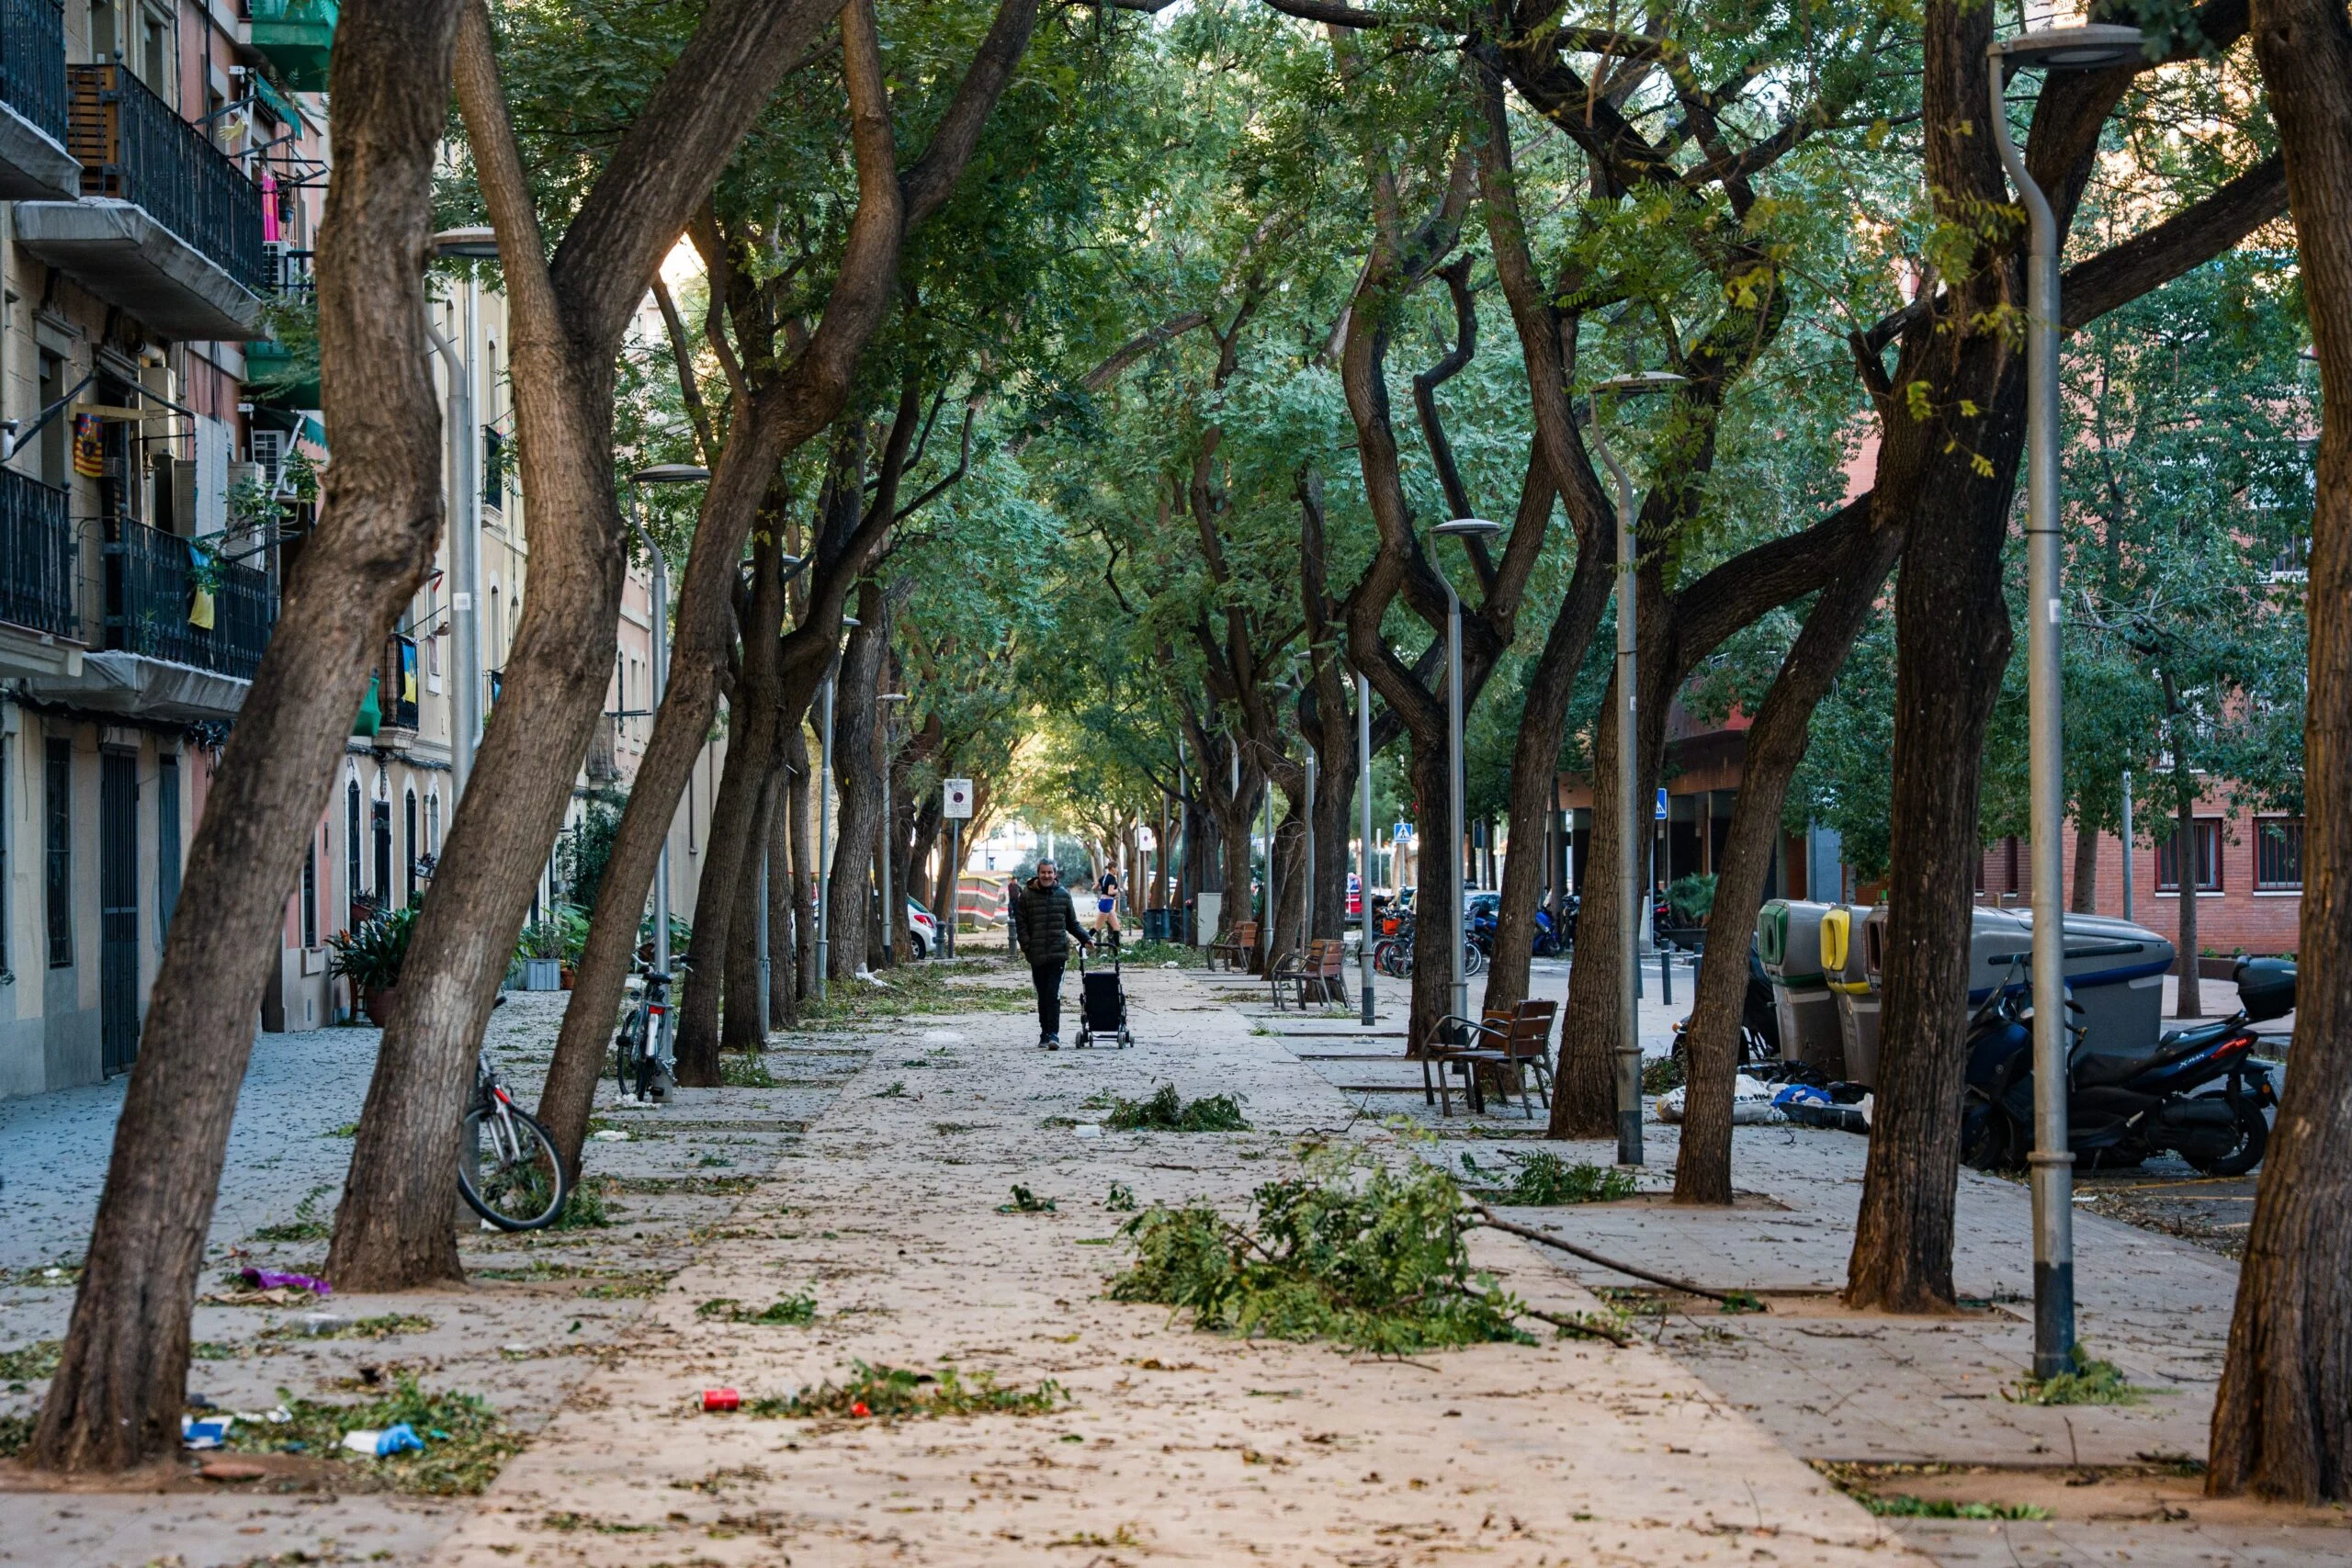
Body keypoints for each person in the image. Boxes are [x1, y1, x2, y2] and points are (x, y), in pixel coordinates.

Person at [1009, 858, 1089, 1048]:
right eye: (1043, 872)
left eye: (1049, 872)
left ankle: (1054, 1034)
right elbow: (1021, 925)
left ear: (1055, 874)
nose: (1046, 875)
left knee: (1053, 994)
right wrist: (1026, 945)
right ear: (1038, 873)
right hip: (1036, 954)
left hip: (1058, 953)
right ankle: (1044, 1033)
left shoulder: (1064, 895)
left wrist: (1086, 938)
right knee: (1043, 995)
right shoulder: (1026, 896)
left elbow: (1072, 923)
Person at [1094, 866, 1122, 935]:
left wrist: (1103, 889)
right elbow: (1110, 892)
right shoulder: (1112, 878)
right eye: (1117, 868)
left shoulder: (1103, 877)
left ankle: (1117, 946)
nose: (1117, 870)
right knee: (1097, 927)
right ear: (1113, 868)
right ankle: (1084, 942)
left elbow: (1094, 887)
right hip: (1106, 904)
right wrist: (1118, 890)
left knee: (1116, 927)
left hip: (1106, 902)